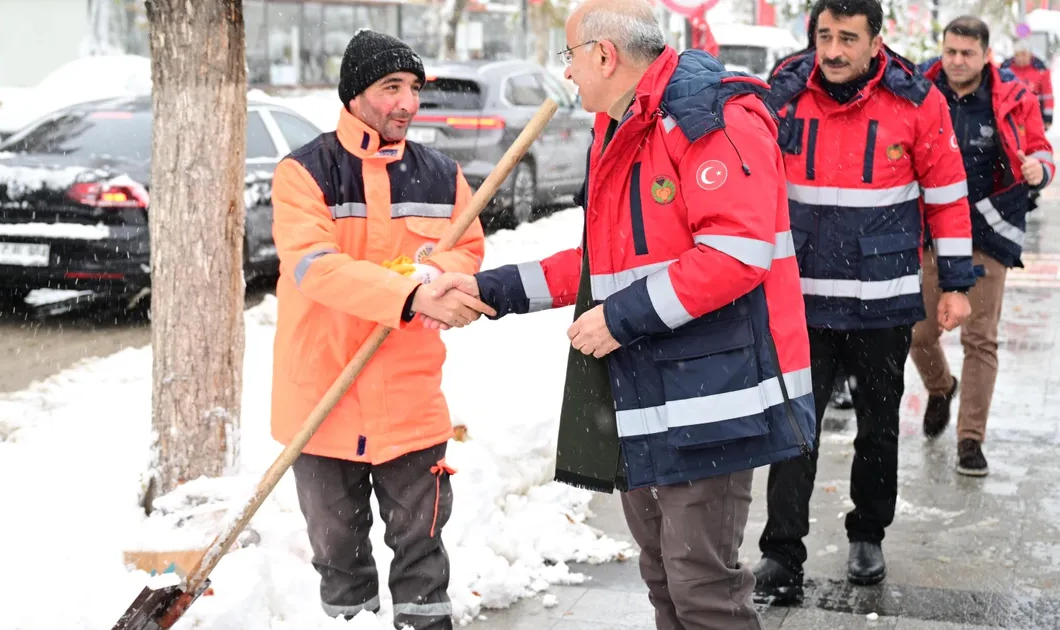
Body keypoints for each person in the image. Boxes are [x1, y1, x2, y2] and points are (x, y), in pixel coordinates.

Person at [431, 0, 816, 626]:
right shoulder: (623, 126)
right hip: (650, 395)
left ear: (605, 55)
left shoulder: (706, 118)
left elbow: (735, 254)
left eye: (570, 56)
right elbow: (602, 264)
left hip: (711, 403)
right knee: (665, 578)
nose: (569, 72)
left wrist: (618, 319)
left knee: (703, 590)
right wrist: (488, 288)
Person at [268, 30, 492, 630]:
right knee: (339, 561)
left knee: (423, 559)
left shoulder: (442, 175)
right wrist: (411, 291)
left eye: (414, 89)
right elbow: (314, 267)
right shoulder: (303, 174)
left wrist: (437, 272)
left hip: (410, 401)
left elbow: (467, 249)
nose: (407, 104)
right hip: (324, 400)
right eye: (391, 88)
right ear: (354, 94)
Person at [756, 0, 975, 603]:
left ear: (876, 40)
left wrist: (955, 282)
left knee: (878, 430)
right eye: (824, 36)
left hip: (882, 302)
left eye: (847, 38)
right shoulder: (784, 94)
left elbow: (948, 195)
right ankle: (781, 553)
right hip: (800, 302)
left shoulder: (916, 101)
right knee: (793, 431)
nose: (833, 51)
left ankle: (868, 534)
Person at [915, 17, 1054, 477]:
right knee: (918, 332)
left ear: (985, 55)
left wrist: (1040, 168)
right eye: (950, 51)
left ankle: (970, 441)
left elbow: (1041, 149)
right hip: (930, 230)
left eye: (966, 53)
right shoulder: (918, 87)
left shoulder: (1013, 96)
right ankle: (940, 387)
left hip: (988, 228)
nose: (956, 61)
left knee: (980, 339)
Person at [1002, 39, 1053, 131]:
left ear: (1030, 55)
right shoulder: (1005, 69)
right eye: (1017, 55)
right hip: (1011, 115)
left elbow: (1047, 95)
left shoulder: (1041, 70)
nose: (1020, 58)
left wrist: (1048, 117)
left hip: (1034, 115)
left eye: (1024, 54)